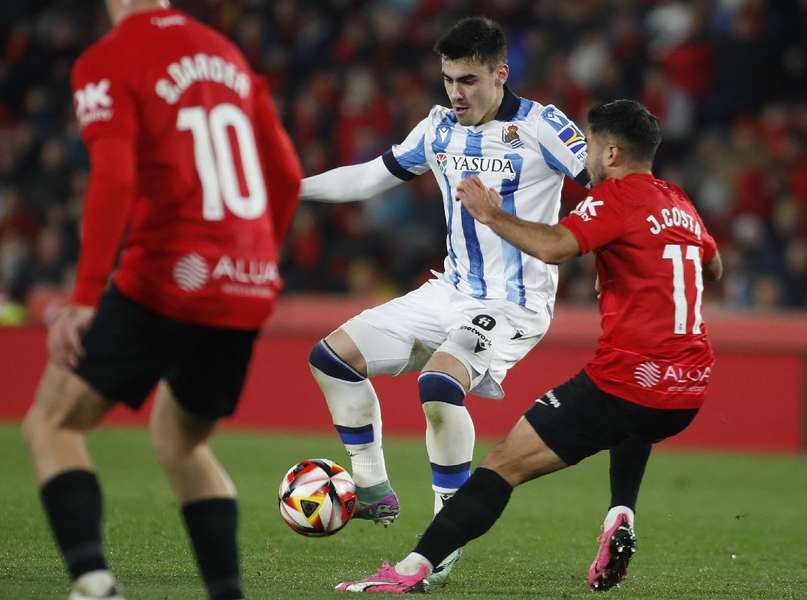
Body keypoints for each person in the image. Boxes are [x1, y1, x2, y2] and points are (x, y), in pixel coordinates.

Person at [335, 99, 723, 593]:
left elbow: (554, 246)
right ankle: (621, 510)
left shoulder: (615, 198)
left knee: (503, 465)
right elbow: (712, 267)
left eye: (589, 148)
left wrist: (491, 214)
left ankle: (412, 568)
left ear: (610, 152)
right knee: (636, 413)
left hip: (628, 380)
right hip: (689, 388)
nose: (583, 161)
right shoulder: (680, 203)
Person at [20, 2, 302, 599]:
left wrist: (85, 297)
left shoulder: (108, 58)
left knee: (52, 423)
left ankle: (94, 583)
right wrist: (254, 261)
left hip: (167, 272)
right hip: (246, 284)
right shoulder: (227, 53)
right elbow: (285, 171)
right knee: (182, 442)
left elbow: (115, 176)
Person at [301, 16, 589, 586]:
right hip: (448, 290)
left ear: (501, 74)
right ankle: (372, 487)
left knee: (437, 384)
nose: (456, 93)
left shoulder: (544, 128)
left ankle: (444, 536)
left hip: (514, 303)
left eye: (469, 80)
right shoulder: (436, 128)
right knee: (330, 359)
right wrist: (294, 189)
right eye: (448, 80)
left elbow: (613, 190)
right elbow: (370, 178)